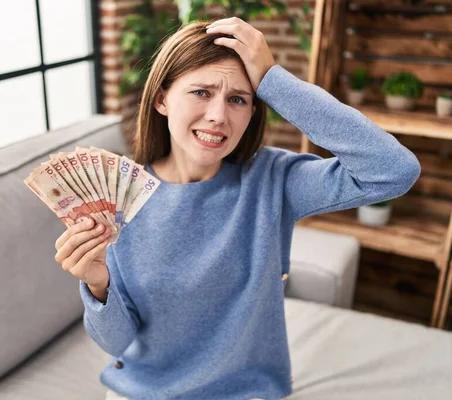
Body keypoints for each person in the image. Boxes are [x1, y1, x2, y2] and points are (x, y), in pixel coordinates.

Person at [54, 17, 421, 400]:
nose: (218, 115)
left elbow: (394, 170)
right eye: (201, 92)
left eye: (238, 99)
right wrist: (98, 285)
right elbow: (115, 343)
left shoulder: (273, 181)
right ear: (162, 99)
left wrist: (272, 78)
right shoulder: (116, 198)